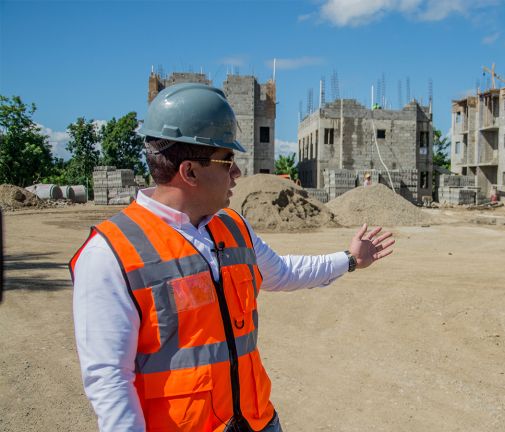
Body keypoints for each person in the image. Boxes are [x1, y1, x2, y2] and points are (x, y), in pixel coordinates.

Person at [70, 83, 395, 432]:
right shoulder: (110, 253)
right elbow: (110, 379)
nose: (238, 173)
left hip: (257, 422)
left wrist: (349, 259)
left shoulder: (233, 227)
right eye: (228, 161)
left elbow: (282, 272)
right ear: (190, 172)